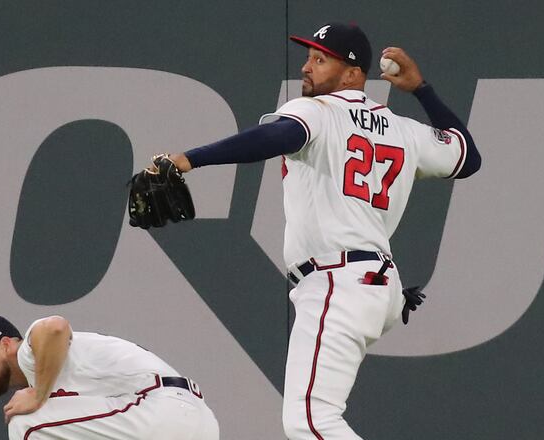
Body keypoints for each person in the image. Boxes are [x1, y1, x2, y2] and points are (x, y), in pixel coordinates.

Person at [151, 22, 481, 439]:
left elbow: (279, 135)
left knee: (310, 422)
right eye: (309, 56)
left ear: (352, 74)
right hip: (375, 285)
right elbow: (467, 156)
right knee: (314, 420)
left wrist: (188, 159)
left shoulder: (317, 111)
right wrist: (421, 89)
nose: (307, 67)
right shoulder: (403, 130)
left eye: (321, 59)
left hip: (337, 281)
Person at [0, 314, 219, 440]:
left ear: (6, 345)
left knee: (25, 423)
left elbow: (55, 327)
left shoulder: (28, 354)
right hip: (199, 423)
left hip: (160, 411)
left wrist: (39, 395)